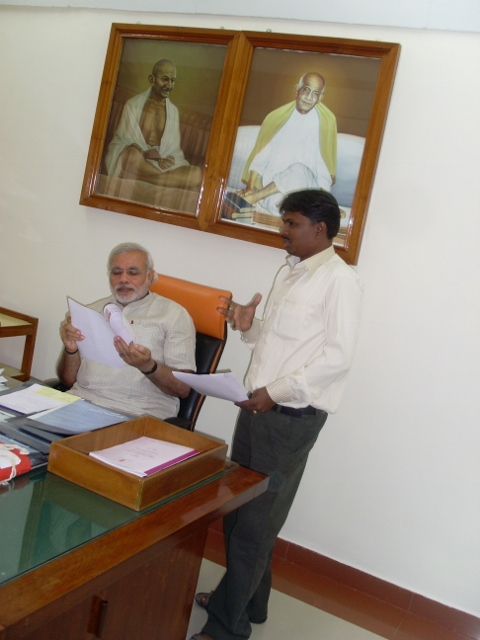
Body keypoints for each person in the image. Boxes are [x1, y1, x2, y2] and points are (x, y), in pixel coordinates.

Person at [191, 189, 362, 640]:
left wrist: (275, 392)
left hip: (289, 417)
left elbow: (337, 358)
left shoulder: (340, 281)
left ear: (319, 229)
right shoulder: (290, 272)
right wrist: (251, 328)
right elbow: (284, 342)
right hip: (258, 406)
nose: (283, 231)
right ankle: (252, 603)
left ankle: (227, 627)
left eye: (291, 223)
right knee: (242, 511)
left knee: (255, 522)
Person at [57, 242, 196, 420]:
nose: (123, 279)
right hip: (80, 403)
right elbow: (68, 381)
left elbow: (182, 389)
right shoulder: (91, 311)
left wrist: (147, 366)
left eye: (133, 272)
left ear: (150, 276)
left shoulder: (173, 315)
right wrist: (70, 349)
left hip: (137, 413)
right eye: (116, 272)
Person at [237, 72, 337, 215]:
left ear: (320, 98)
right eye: (306, 90)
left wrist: (325, 203)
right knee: (279, 207)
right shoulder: (276, 118)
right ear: (297, 90)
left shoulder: (323, 124)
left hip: (306, 188)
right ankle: (265, 199)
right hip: (272, 190)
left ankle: (256, 198)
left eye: (315, 94)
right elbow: (262, 155)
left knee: (298, 170)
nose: (309, 97)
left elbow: (323, 168)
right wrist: (249, 187)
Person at [105, 59, 202, 189]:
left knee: (196, 173)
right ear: (152, 79)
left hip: (160, 163)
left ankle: (143, 178)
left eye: (173, 80)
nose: (169, 85)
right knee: (130, 155)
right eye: (165, 79)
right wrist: (145, 154)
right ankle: (165, 180)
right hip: (140, 160)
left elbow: (173, 150)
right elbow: (122, 142)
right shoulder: (133, 105)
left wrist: (169, 159)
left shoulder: (173, 111)